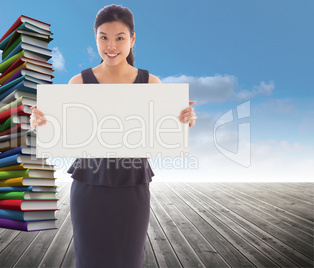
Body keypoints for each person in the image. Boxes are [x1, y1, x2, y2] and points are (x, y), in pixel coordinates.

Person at [31, 4, 196, 268]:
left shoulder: (150, 83)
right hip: (89, 187)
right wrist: (42, 122)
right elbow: (67, 135)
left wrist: (182, 122)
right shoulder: (79, 82)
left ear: (132, 39)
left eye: (120, 38)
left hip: (132, 186)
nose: (111, 45)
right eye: (103, 37)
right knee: (90, 259)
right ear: (95, 39)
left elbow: (156, 139)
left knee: (128, 260)